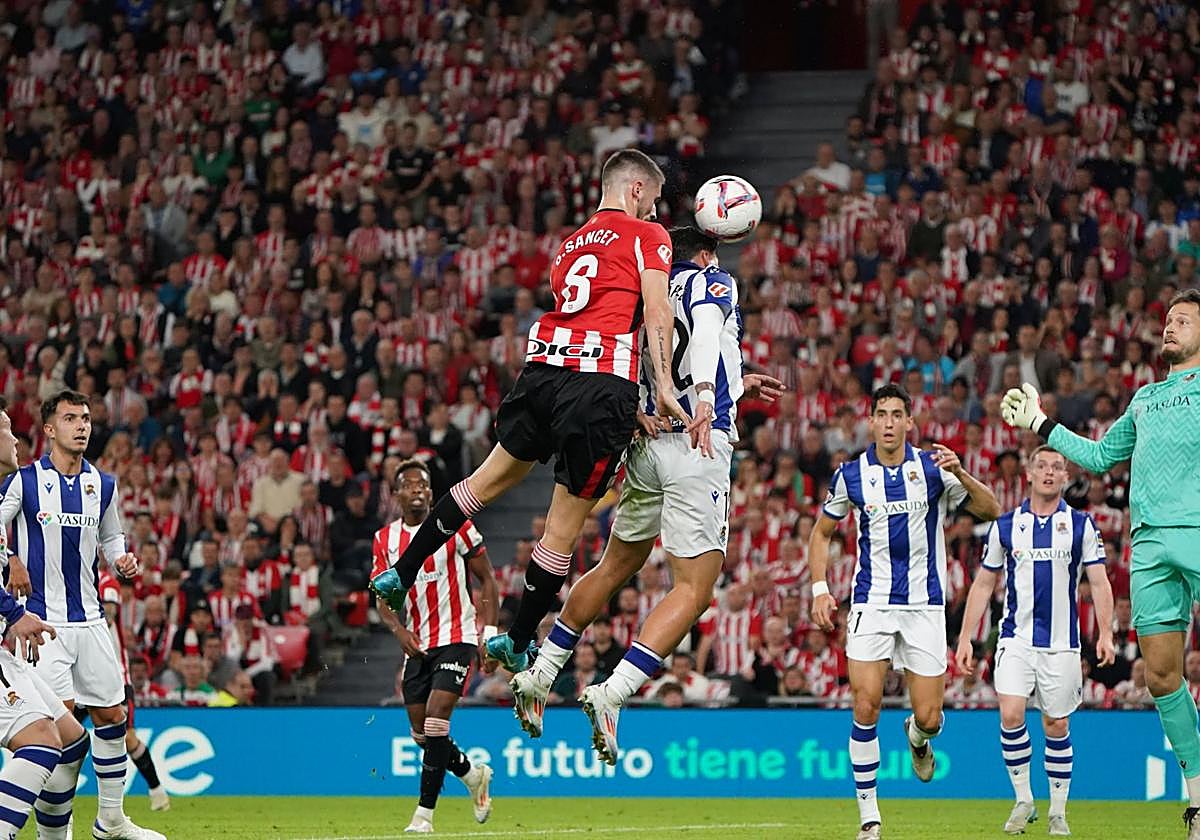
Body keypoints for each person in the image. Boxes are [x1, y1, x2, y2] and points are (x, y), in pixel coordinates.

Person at [371, 149, 693, 674]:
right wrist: (659, 387)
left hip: (542, 369)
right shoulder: (649, 236)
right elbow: (655, 311)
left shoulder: (570, 245)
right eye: (653, 201)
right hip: (598, 386)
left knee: (482, 482)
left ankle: (403, 570)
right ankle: (518, 639)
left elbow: (587, 307)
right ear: (636, 190)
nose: (656, 213)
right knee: (563, 527)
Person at [506, 226, 783, 761]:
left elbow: (647, 357)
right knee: (694, 588)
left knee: (616, 564)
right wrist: (708, 395)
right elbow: (701, 334)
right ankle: (614, 693)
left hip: (648, 438)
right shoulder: (713, 281)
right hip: (697, 445)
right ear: (705, 254)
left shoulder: (643, 293)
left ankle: (540, 674)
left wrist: (736, 380)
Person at [1001, 288, 1200, 838]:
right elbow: (1099, 457)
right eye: (1168, 319)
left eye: (1183, 320)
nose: (1170, 327)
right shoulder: (1144, 399)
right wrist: (1042, 424)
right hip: (1150, 546)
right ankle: (1199, 800)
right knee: (1162, 676)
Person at [809, 383, 1000, 840]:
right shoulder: (851, 475)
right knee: (864, 704)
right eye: (882, 414)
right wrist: (819, 588)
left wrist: (963, 472)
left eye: (899, 414)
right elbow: (821, 534)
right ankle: (870, 819)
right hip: (872, 603)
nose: (890, 423)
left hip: (923, 606)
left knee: (932, 718)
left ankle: (917, 736)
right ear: (871, 421)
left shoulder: (933, 469)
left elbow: (992, 508)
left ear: (909, 422)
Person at [0, 390, 165, 840]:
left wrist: (122, 560)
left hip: (91, 620)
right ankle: (56, 829)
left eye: (87, 418)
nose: (82, 426)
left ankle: (111, 820)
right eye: (71, 418)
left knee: (112, 716)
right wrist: (12, 557)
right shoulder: (25, 481)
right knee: (62, 730)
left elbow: (112, 538)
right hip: (41, 625)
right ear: (49, 429)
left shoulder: (102, 485)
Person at [955, 445, 1115, 837]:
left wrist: (1106, 632)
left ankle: (1057, 810)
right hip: (1016, 638)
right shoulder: (1006, 525)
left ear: (1065, 477)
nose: (1048, 472)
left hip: (1063, 643)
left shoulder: (1081, 525)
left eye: (1056, 467)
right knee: (1010, 714)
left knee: (1056, 723)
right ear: (1028, 474)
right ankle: (1023, 798)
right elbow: (984, 583)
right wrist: (964, 637)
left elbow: (1098, 581)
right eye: (1041, 465)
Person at [371, 459, 497, 834]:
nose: (418, 490)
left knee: (437, 719)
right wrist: (399, 631)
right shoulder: (384, 540)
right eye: (409, 485)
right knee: (422, 735)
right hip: (419, 643)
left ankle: (423, 816)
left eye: (423, 484)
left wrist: (487, 634)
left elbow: (487, 580)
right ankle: (472, 775)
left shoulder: (457, 524)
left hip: (457, 636)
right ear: (396, 495)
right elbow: (381, 595)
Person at [0, 398, 95, 840]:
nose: (15, 438)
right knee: (41, 740)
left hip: (9, 652)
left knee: (73, 741)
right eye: (6, 429)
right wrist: (13, 613)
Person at [96, 566, 170, 811]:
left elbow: (107, 616)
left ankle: (157, 790)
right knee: (62, 735)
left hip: (116, 677)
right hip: (80, 679)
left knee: (127, 738)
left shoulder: (106, 583)